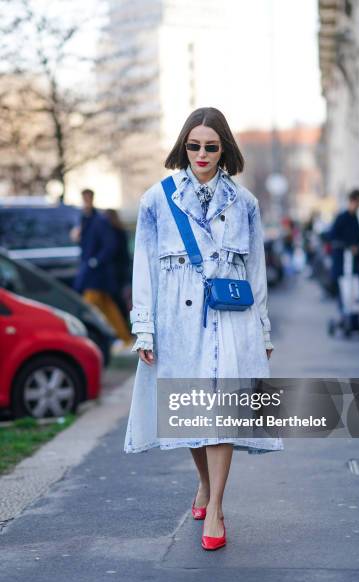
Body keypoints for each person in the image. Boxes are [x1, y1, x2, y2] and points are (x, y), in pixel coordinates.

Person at [123, 107, 284, 551]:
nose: (201, 153)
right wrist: (145, 328)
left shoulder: (245, 203)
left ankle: (216, 508)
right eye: (193, 145)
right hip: (178, 317)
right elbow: (144, 269)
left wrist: (263, 332)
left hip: (233, 318)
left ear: (224, 149)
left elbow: (257, 272)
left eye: (211, 146)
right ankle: (204, 485)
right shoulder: (158, 199)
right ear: (183, 146)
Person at [71, 189, 133, 345]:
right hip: (92, 271)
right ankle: (123, 337)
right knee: (107, 305)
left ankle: (87, 338)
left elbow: (109, 246)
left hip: (98, 272)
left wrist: (96, 261)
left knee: (89, 306)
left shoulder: (99, 221)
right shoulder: (86, 219)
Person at [329, 188, 359, 331]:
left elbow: (354, 237)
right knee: (345, 294)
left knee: (357, 292)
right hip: (343, 263)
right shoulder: (342, 217)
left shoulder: (355, 217)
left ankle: (355, 324)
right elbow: (332, 236)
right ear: (353, 201)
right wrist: (348, 246)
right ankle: (345, 323)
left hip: (355, 263)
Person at [103, 208, 132, 326]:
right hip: (121, 273)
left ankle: (123, 329)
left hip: (116, 274)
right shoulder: (121, 232)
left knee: (118, 302)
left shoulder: (112, 234)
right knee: (121, 302)